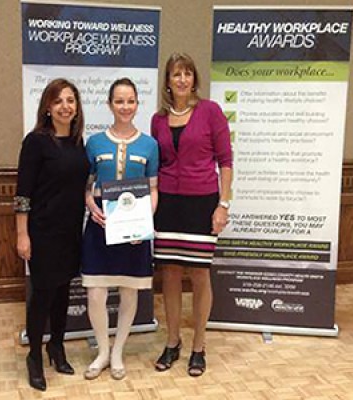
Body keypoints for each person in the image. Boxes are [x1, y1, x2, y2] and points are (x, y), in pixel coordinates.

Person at [151, 53, 233, 377]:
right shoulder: (158, 119)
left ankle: (198, 346)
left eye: (187, 73)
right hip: (168, 204)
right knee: (169, 273)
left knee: (199, 274)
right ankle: (173, 342)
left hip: (202, 202)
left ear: (194, 79)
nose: (182, 79)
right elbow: (154, 166)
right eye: (176, 74)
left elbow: (225, 162)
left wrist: (223, 205)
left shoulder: (210, 111)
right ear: (168, 82)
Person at [14, 78, 89, 391]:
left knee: (63, 293)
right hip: (42, 232)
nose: (65, 106)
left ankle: (56, 347)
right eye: (58, 100)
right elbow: (23, 194)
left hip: (71, 231)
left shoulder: (77, 143)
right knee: (42, 295)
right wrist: (22, 235)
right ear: (47, 106)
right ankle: (34, 356)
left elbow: (80, 186)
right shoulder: (36, 142)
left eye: (70, 100)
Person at [81, 78, 158, 381]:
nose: (125, 107)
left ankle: (118, 352)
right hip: (100, 227)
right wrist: (91, 205)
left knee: (129, 292)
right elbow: (87, 186)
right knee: (96, 293)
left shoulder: (150, 145)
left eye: (130, 101)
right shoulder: (94, 143)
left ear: (137, 103)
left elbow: (153, 190)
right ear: (110, 104)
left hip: (134, 232)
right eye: (119, 101)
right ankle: (102, 350)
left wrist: (144, 221)